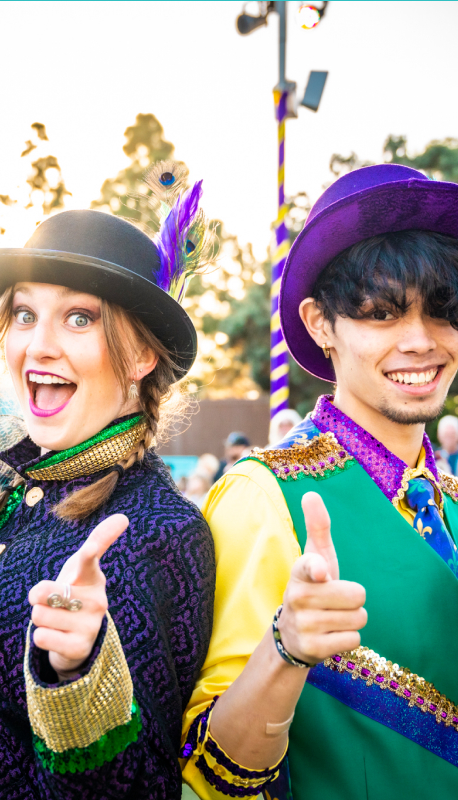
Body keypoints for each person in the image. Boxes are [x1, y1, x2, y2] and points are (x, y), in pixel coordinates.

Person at [180, 164, 458, 799]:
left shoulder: (451, 500)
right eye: (381, 314)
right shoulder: (262, 495)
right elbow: (208, 771)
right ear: (320, 323)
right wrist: (285, 650)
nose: (421, 341)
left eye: (445, 311)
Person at [0, 160, 215, 799]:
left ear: (141, 355)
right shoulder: (8, 490)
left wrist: (78, 673)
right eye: (25, 314)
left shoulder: (159, 532)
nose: (38, 345)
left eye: (80, 318)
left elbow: (143, 786)